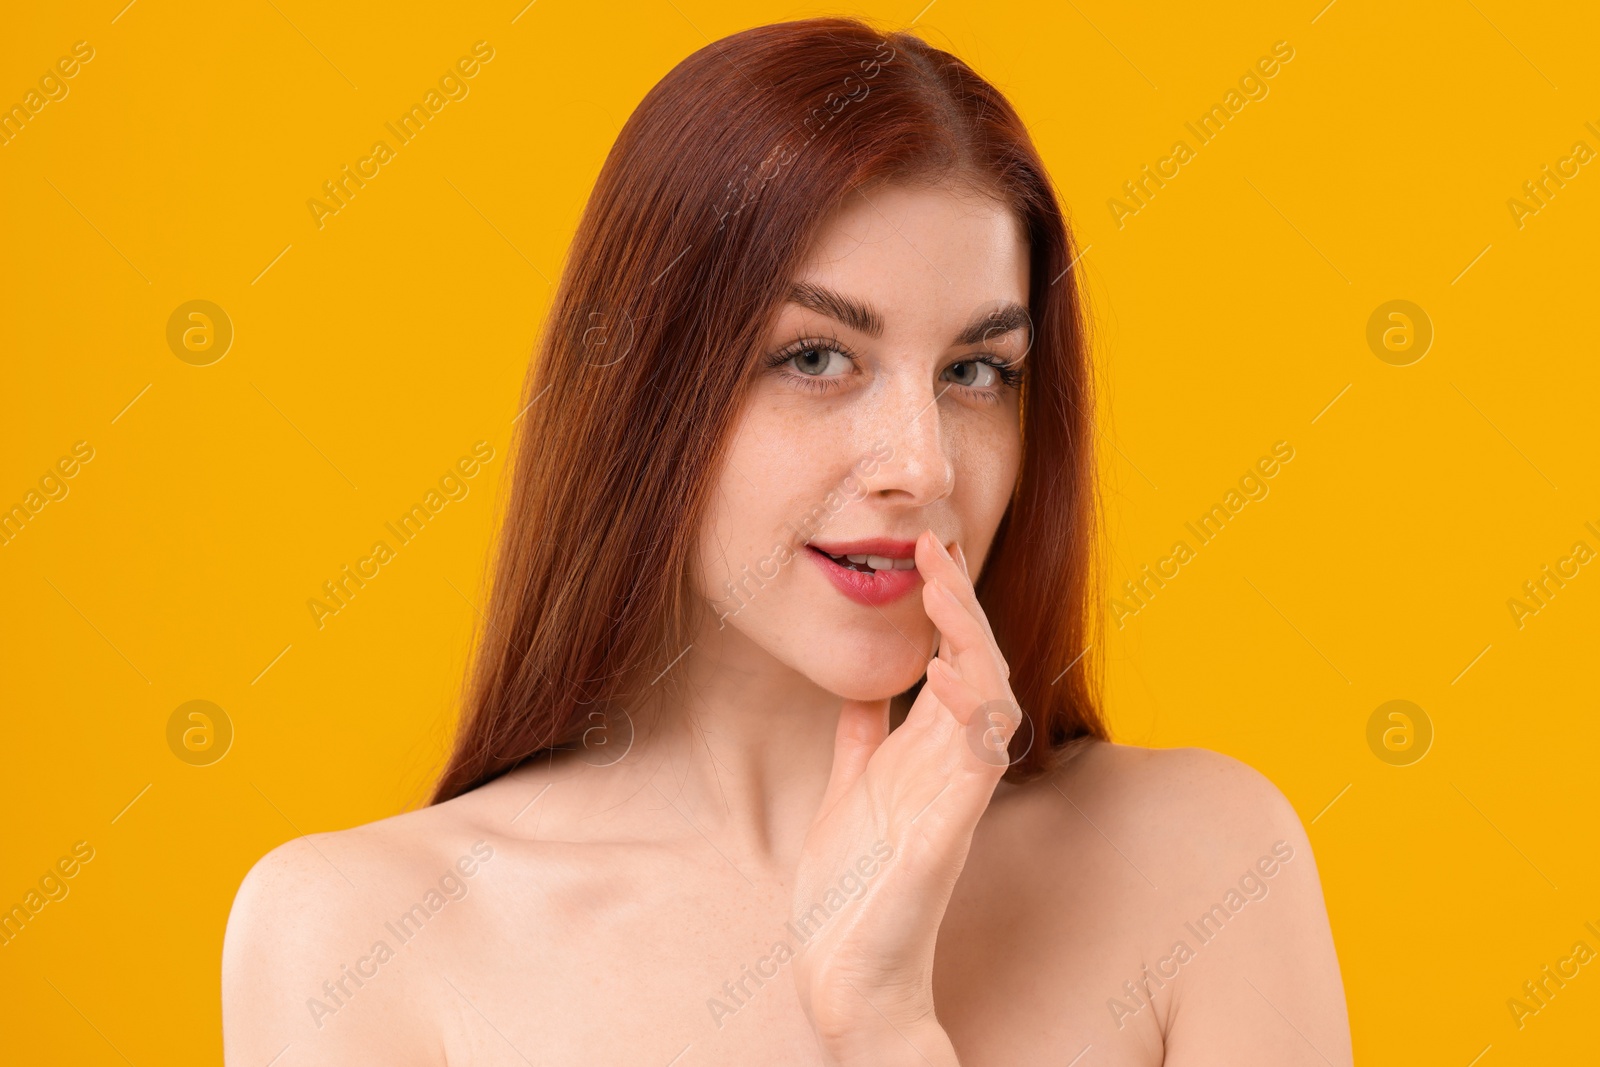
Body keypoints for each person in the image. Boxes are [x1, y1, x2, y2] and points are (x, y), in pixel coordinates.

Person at [223, 16, 1352, 1065]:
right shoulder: (357, 934)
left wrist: (884, 1024)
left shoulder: (1204, 863)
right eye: (815, 356)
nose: (923, 463)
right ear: (643, 387)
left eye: (975, 371)